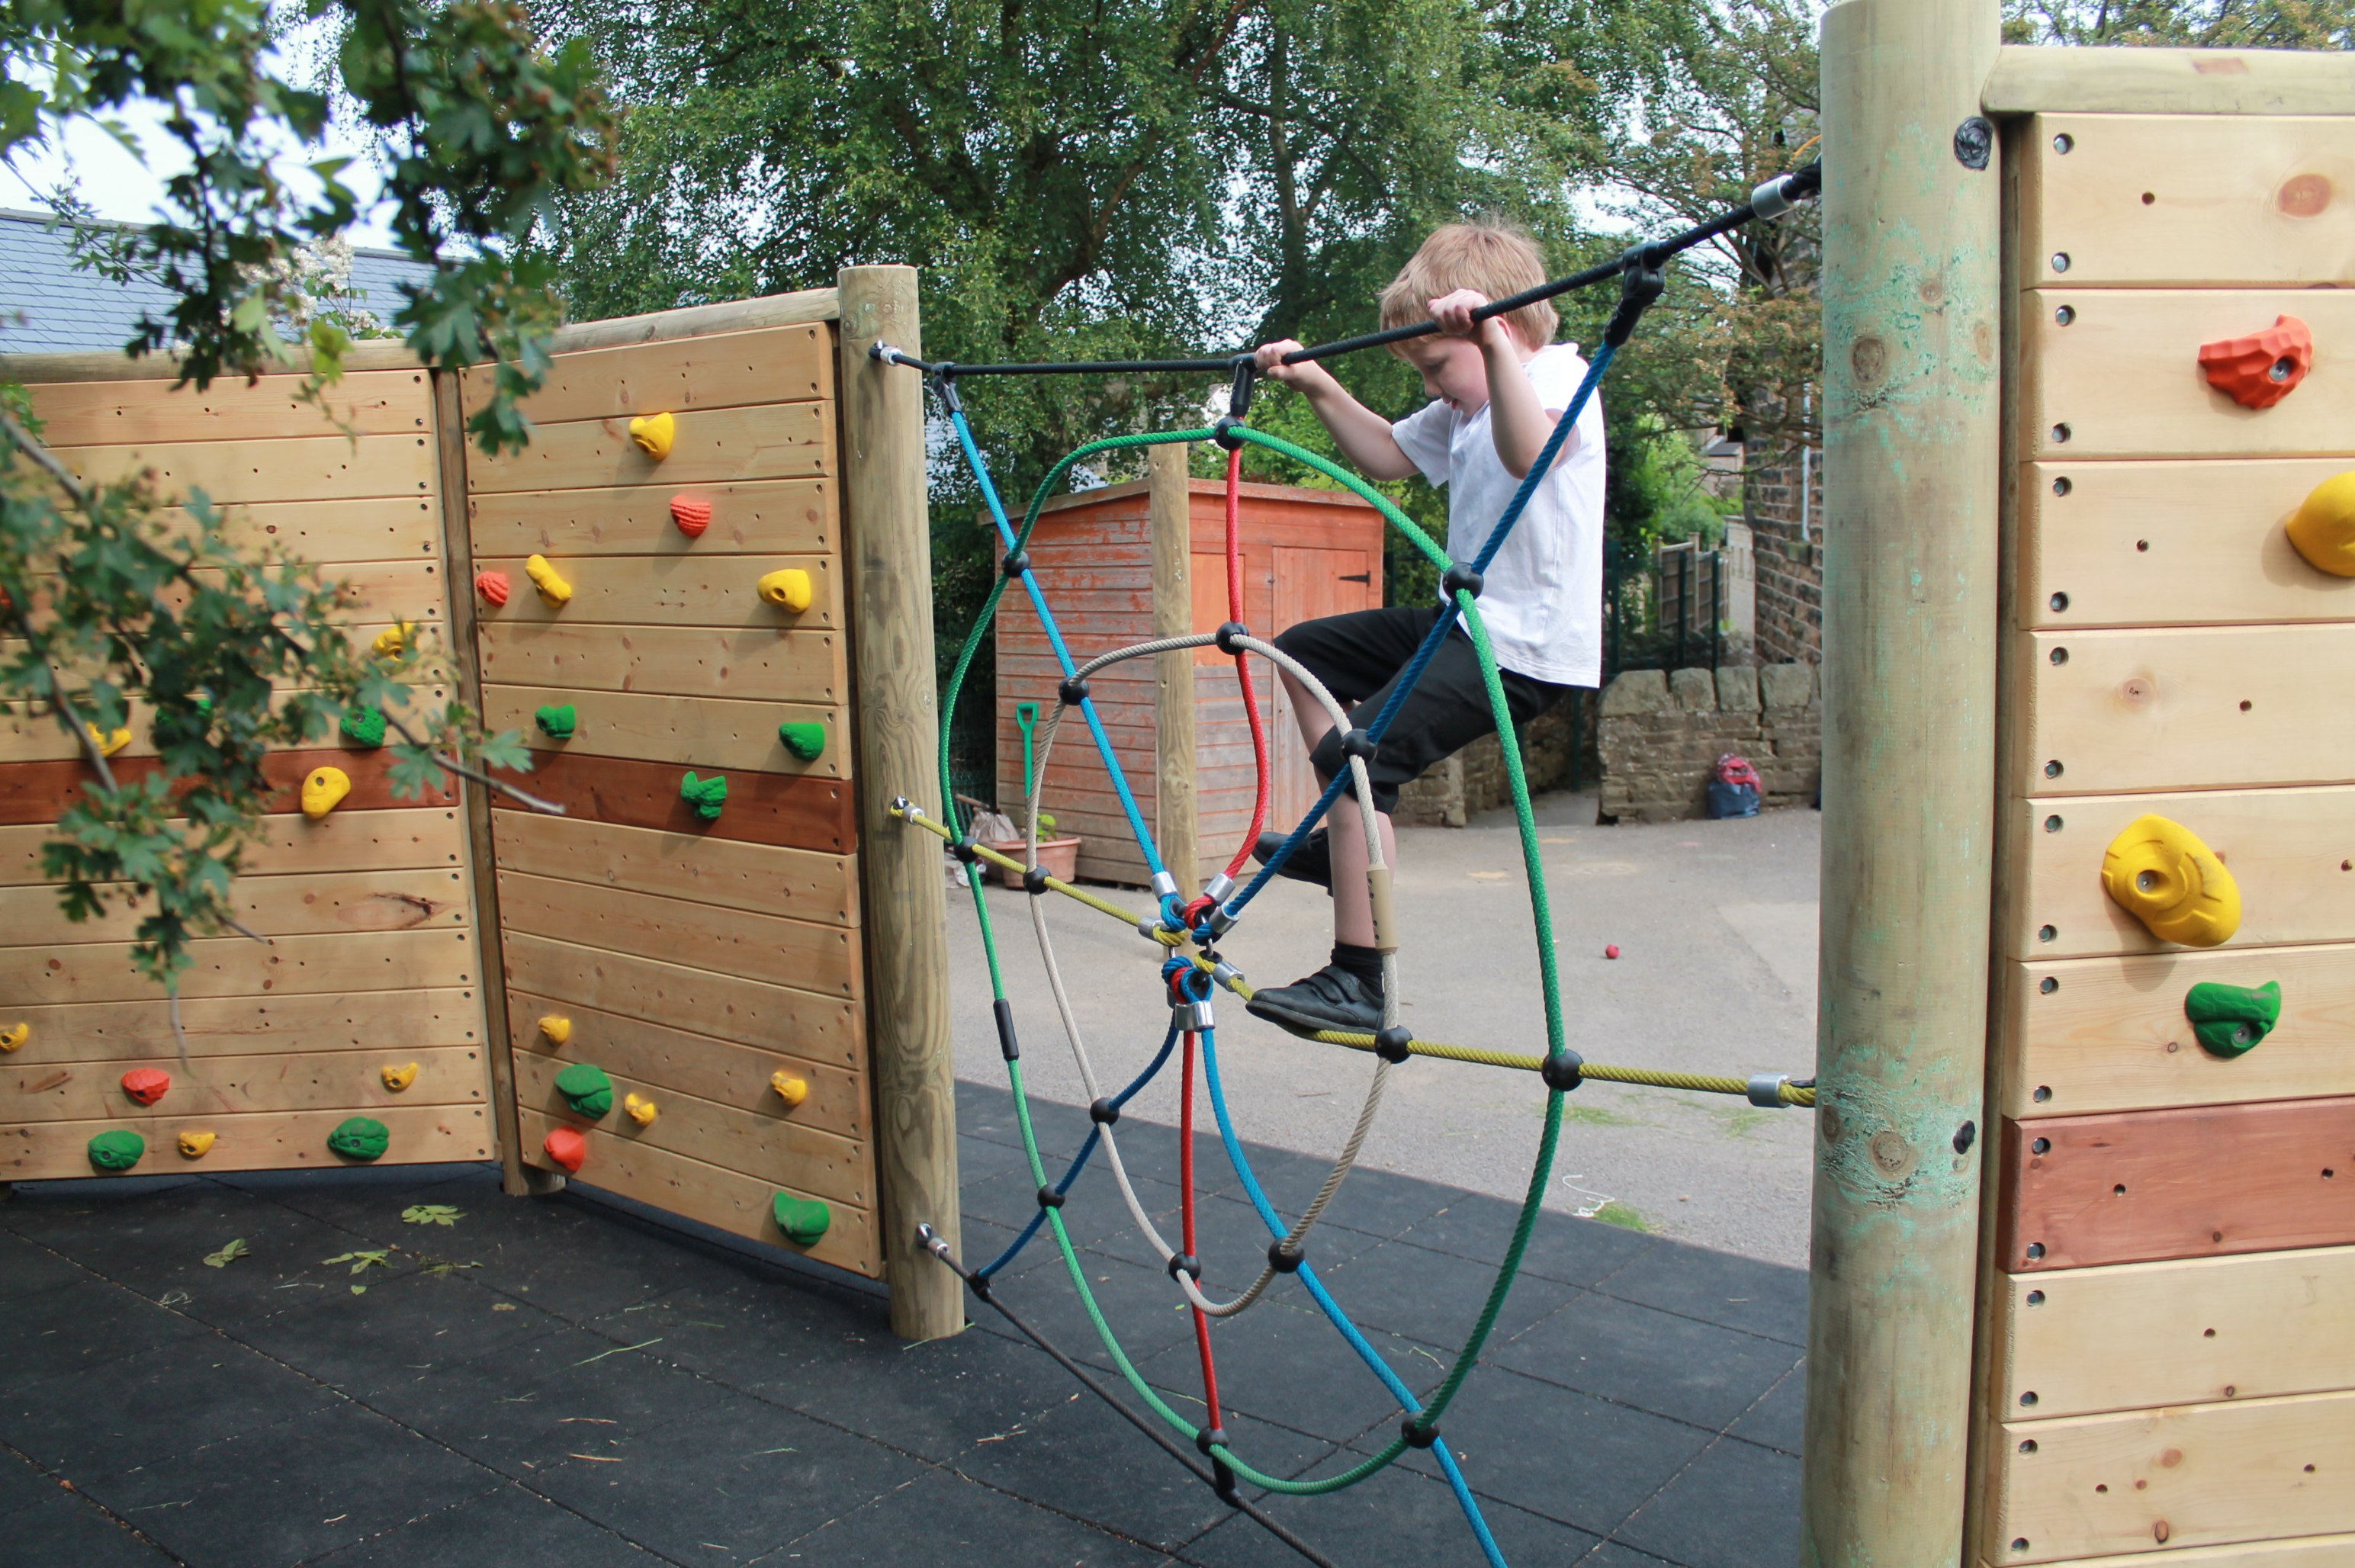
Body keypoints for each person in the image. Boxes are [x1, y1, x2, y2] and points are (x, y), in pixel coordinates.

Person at [1242, 220, 1605, 1036]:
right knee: (1303, 654)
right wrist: (1318, 385)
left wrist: (1495, 348)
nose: (1434, 385)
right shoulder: (1465, 406)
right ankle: (1349, 835)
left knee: (1361, 750)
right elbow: (1388, 456)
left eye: (1438, 364)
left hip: (1522, 647)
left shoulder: (1556, 376)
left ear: (1497, 331)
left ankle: (1360, 980)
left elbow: (1529, 453)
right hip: (1464, 619)